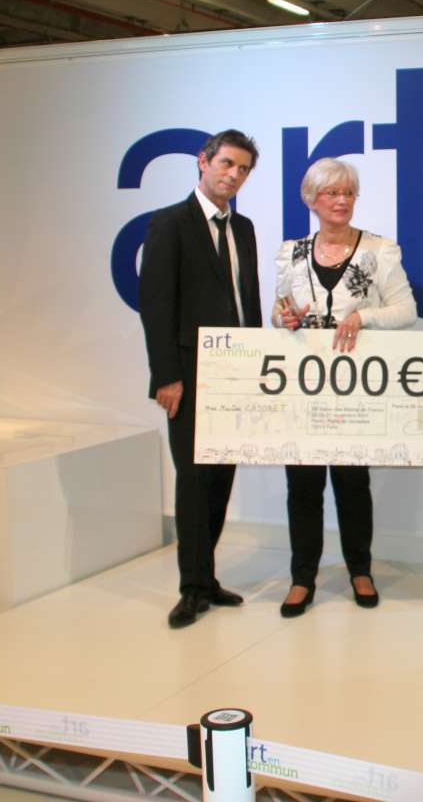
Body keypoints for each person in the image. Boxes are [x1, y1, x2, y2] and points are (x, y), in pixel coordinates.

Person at [272, 159, 417, 617]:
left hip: (355, 387)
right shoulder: (292, 252)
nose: (341, 201)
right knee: (302, 485)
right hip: (304, 387)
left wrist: (362, 316)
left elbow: (406, 310)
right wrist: (284, 317)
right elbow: (278, 310)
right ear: (311, 200)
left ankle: (360, 570)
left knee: (353, 483)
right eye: (331, 193)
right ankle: (302, 578)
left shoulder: (379, 249)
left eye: (348, 193)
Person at [139, 130, 262, 630]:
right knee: (193, 480)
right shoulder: (170, 223)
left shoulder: (244, 228)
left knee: (220, 478)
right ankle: (191, 587)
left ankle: (207, 578)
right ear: (203, 161)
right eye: (227, 163)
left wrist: (258, 364)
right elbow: (155, 305)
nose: (234, 175)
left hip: (236, 372)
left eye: (243, 169)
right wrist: (166, 375)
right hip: (188, 377)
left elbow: (246, 301)